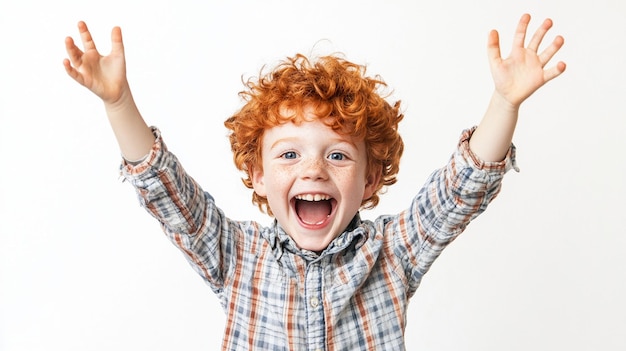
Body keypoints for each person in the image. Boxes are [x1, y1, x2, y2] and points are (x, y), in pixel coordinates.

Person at [64, 13, 565, 350]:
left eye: (338, 155)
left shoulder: (393, 253)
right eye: (289, 153)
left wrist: (505, 103)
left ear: (370, 179)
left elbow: (463, 187)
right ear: (258, 176)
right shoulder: (237, 256)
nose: (314, 169)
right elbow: (164, 188)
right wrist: (117, 101)